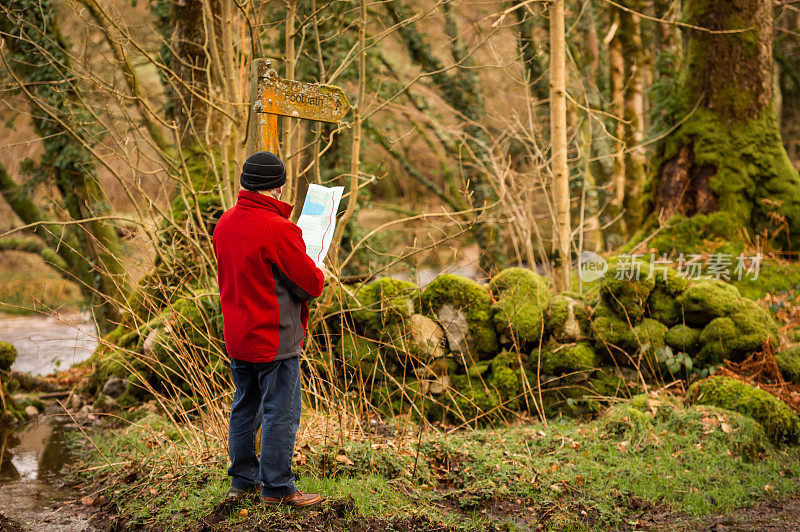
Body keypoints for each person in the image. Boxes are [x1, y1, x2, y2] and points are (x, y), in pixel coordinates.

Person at [212, 151, 325, 508]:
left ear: (245, 183)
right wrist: (316, 264)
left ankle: (242, 482)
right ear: (277, 187)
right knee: (282, 412)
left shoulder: (224, 223)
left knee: (244, 407)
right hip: (275, 338)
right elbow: (311, 284)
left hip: (238, 336)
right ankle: (277, 488)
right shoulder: (279, 229)